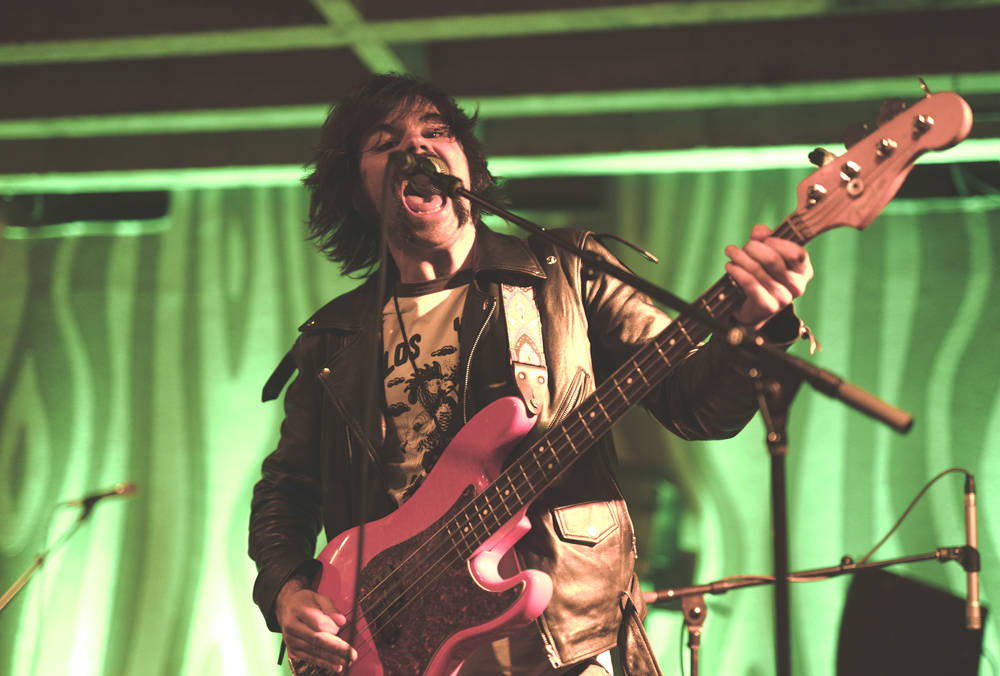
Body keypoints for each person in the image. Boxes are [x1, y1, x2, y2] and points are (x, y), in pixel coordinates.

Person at [248, 73, 813, 676]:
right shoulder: (336, 337)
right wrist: (288, 591)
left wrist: (757, 323)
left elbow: (697, 407)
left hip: (557, 638)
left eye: (436, 132)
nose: (417, 149)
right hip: (390, 639)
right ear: (357, 191)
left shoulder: (566, 273)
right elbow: (287, 486)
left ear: (469, 167)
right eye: (385, 142)